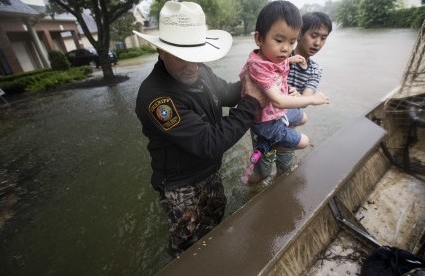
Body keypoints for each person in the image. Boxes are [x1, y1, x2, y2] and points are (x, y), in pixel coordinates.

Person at [133, 1, 265, 258]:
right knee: (187, 243)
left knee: (215, 221)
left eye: (197, 54)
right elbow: (209, 143)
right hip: (181, 184)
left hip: (209, 171)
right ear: (160, 50)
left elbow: (226, 92)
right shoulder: (158, 98)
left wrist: (259, 80)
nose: (192, 64)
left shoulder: (199, 70)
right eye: (181, 56)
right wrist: (252, 104)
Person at [239, 1, 330, 184]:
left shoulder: (311, 68)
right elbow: (273, 83)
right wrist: (309, 98)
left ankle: (276, 185)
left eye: (323, 38)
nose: (317, 43)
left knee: (286, 169)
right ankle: (251, 181)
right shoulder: (277, 54)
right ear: (302, 33)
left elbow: (302, 101)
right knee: (263, 171)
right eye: (313, 35)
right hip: (268, 119)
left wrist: (305, 97)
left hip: (282, 117)